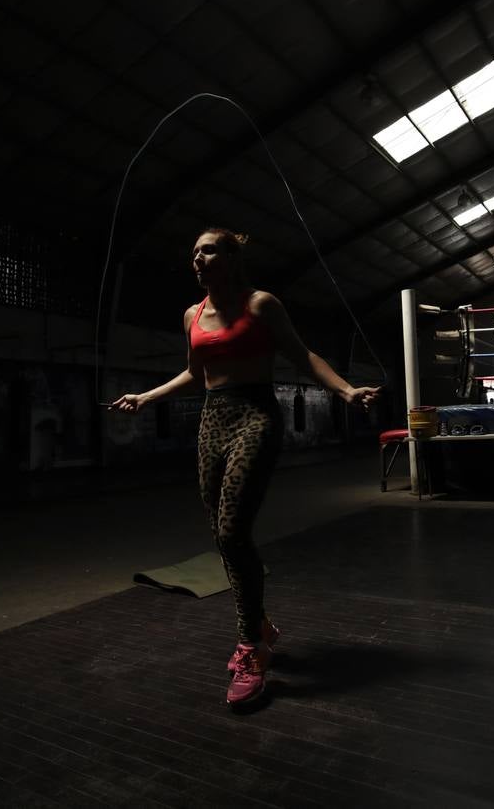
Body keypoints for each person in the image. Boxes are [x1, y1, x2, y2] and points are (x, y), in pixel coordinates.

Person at [110, 227, 380, 708]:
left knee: (233, 531)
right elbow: (196, 373)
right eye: (193, 251)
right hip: (213, 419)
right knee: (220, 533)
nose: (197, 257)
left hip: (256, 415)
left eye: (208, 249)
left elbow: (302, 355)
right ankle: (260, 624)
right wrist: (147, 397)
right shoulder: (191, 314)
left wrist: (344, 390)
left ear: (232, 258)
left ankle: (251, 646)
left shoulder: (262, 304)